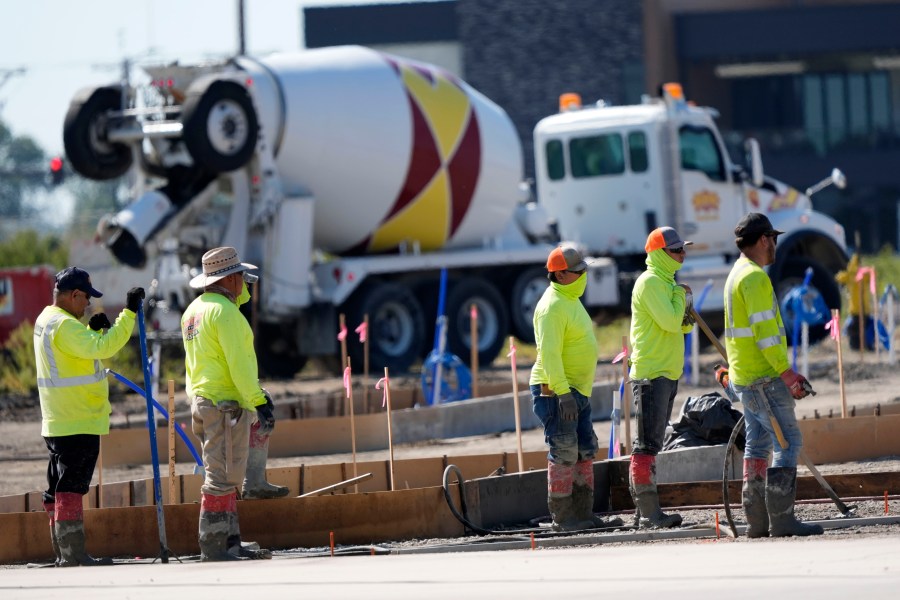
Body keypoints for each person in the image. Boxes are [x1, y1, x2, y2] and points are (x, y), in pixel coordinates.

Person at [34, 267, 144, 566]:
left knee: (57, 485)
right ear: (74, 295)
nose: (88, 306)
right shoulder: (65, 326)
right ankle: (73, 554)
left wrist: (91, 330)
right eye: (86, 300)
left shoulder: (47, 319)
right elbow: (105, 348)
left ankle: (62, 553)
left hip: (59, 419)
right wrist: (129, 313)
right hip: (77, 419)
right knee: (71, 485)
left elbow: (74, 356)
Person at [724, 213, 823, 538]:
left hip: (746, 376)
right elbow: (766, 333)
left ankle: (756, 522)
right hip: (763, 377)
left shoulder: (736, 274)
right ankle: (781, 519)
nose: (775, 246)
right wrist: (788, 373)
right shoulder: (754, 278)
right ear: (764, 239)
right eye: (773, 239)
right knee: (788, 441)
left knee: (757, 443)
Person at [182, 247, 277, 561]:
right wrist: (259, 401)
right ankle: (214, 545)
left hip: (203, 401)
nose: (246, 284)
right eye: (243, 278)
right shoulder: (226, 314)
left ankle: (231, 541)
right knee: (222, 476)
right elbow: (240, 365)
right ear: (232, 279)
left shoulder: (194, 311)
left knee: (229, 472)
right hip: (225, 405)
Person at [530, 244, 623, 531]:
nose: (583, 275)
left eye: (584, 270)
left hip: (576, 391)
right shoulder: (552, 307)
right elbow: (550, 355)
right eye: (578, 271)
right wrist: (563, 393)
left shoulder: (570, 299)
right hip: (558, 392)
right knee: (564, 451)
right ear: (560, 275)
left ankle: (583, 514)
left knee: (585, 449)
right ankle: (563, 517)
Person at [628, 226, 693, 528]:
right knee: (646, 445)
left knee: (652, 443)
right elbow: (670, 321)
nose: (683, 254)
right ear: (659, 253)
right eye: (677, 249)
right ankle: (649, 514)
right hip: (651, 375)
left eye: (683, 249)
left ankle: (646, 513)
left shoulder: (666, 283)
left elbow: (684, 326)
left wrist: (684, 305)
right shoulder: (652, 283)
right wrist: (681, 297)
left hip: (666, 372)